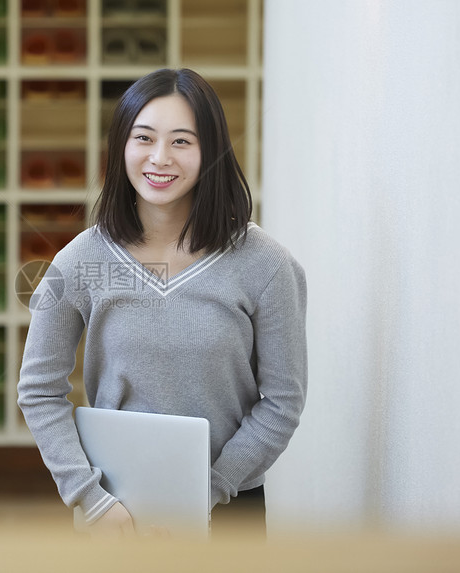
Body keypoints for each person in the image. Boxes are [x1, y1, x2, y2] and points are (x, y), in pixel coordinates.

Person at [17, 68, 308, 537]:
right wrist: (88, 497)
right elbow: (38, 390)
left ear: (210, 150)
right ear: (121, 147)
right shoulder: (78, 261)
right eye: (144, 138)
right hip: (114, 507)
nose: (159, 158)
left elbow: (282, 402)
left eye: (181, 142)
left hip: (228, 507)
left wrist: (205, 491)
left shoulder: (266, 265)